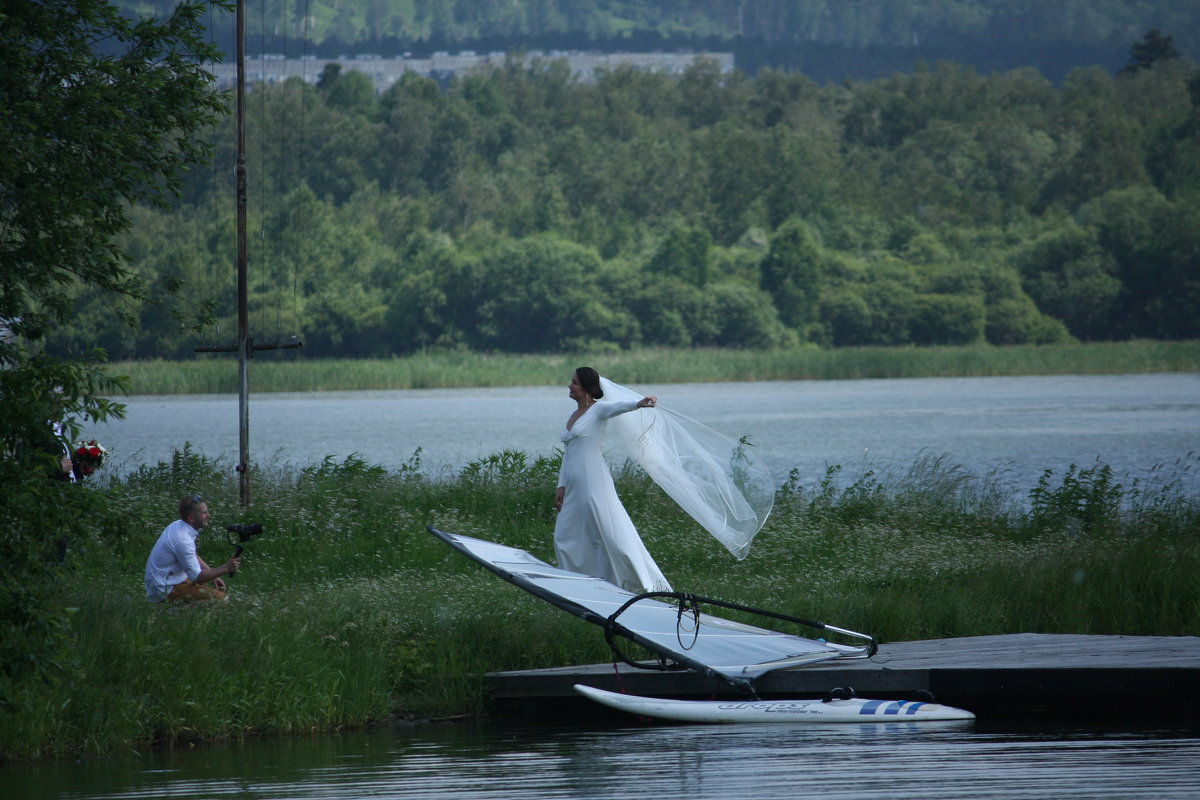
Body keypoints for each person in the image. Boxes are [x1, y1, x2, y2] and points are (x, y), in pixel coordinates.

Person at [553, 367, 672, 593]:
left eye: (575, 383)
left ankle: (634, 580)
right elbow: (569, 454)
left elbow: (618, 407)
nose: (570, 386)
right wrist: (561, 484)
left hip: (592, 479)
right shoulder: (572, 415)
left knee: (606, 530)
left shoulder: (598, 410)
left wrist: (639, 402)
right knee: (565, 533)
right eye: (571, 382)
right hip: (573, 482)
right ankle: (574, 580)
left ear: (587, 389)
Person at [144, 494, 241, 602]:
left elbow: (191, 555)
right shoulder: (182, 540)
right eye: (204, 513)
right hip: (165, 590)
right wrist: (226, 568)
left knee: (211, 591)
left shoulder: (178, 525)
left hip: (167, 583)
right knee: (222, 599)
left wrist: (213, 576)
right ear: (191, 518)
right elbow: (197, 577)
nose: (208, 515)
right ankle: (175, 608)